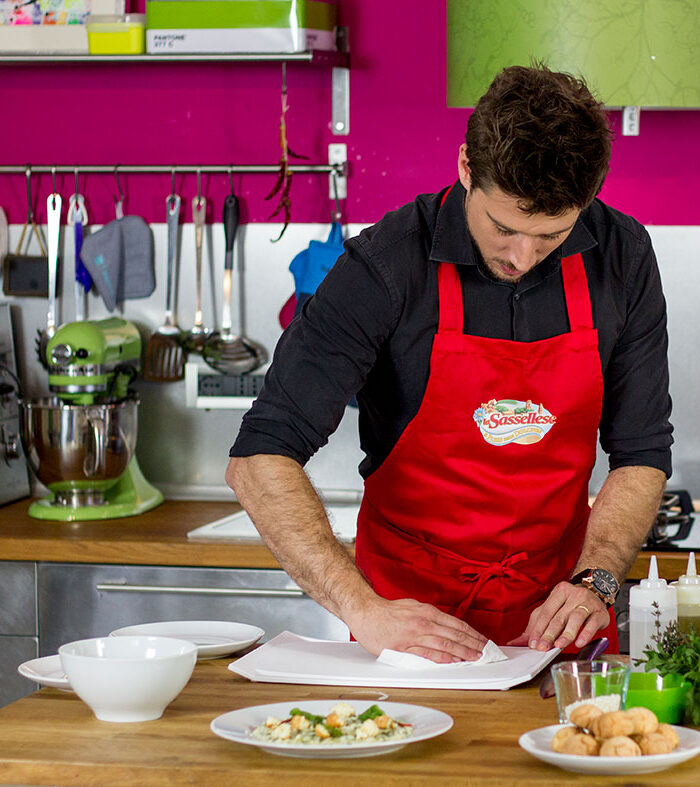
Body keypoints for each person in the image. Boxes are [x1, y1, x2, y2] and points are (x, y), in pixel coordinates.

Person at [226, 64, 673, 663]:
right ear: (466, 167)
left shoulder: (623, 255)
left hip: (559, 626)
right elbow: (259, 458)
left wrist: (597, 580)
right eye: (505, 228)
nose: (524, 257)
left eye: (552, 237)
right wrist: (364, 610)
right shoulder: (384, 267)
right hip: (407, 632)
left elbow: (641, 452)